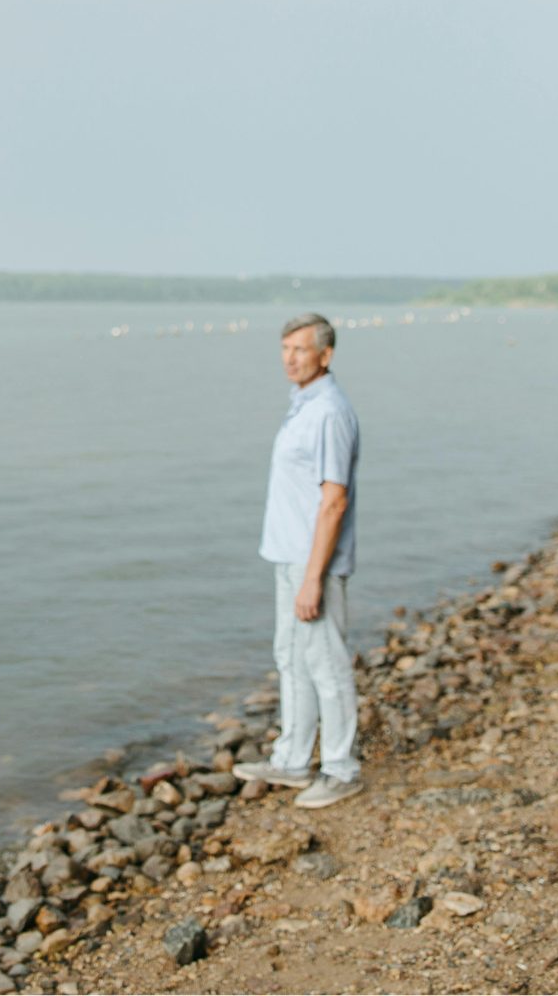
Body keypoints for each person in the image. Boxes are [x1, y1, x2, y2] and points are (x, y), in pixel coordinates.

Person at [233, 312, 364, 808]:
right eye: (285, 349)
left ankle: (341, 768)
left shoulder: (329, 411)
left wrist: (314, 578)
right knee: (291, 658)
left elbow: (334, 500)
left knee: (326, 663)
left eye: (300, 350)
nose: (289, 359)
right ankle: (291, 758)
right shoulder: (304, 405)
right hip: (289, 559)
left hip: (315, 563)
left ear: (325, 355)